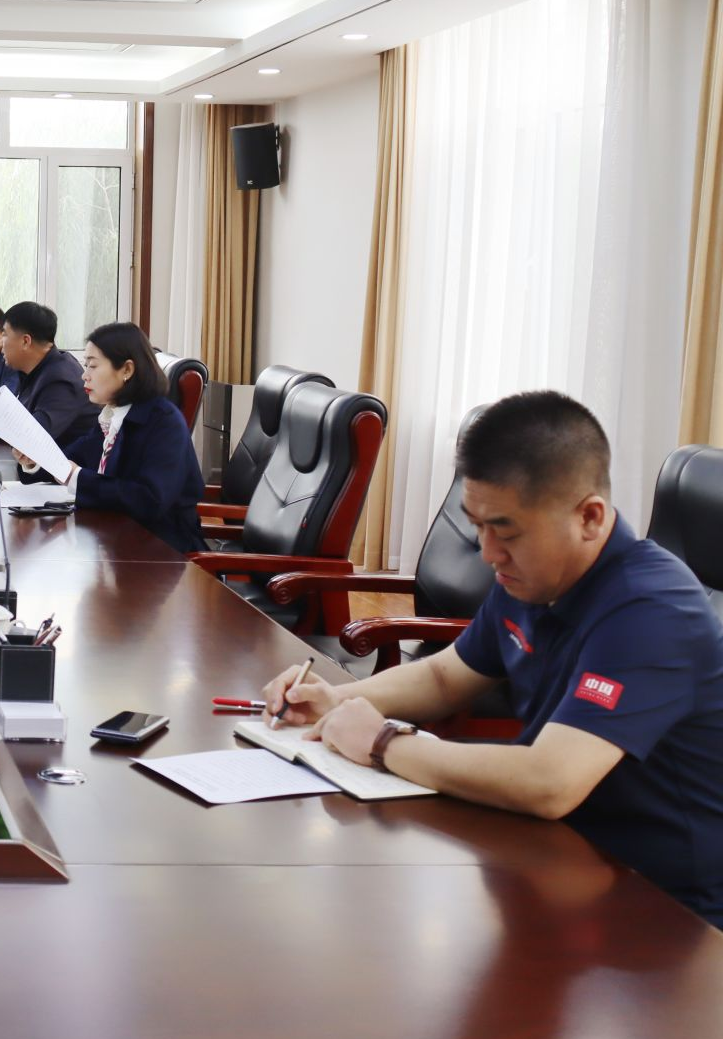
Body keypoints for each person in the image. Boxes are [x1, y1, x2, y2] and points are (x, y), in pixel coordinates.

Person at [265, 391, 723, 928]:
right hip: (556, 859)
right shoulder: (532, 576)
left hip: (665, 912)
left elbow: (550, 783)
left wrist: (383, 742)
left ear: (590, 517)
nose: (486, 553)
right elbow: (446, 675)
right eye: (477, 526)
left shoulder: (652, 609)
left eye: (505, 531)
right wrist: (335, 700)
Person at [17, 321, 203, 552]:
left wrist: (76, 477)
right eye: (85, 365)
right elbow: (70, 459)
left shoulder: (164, 422)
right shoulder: (113, 416)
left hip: (162, 552)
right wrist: (35, 459)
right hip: (115, 540)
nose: (84, 376)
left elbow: (149, 500)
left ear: (127, 370)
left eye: (93, 366)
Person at [0, 301, 101, 441]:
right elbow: (17, 416)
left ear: (25, 341)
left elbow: (35, 433)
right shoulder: (34, 370)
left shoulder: (60, 377)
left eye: (5, 334)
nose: (2, 342)